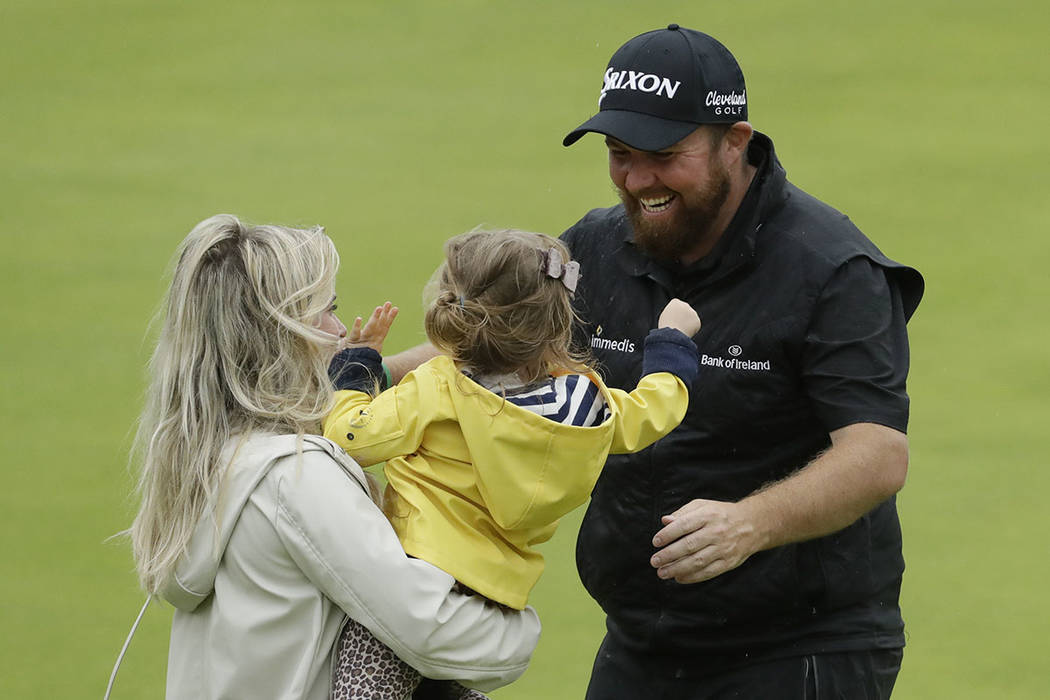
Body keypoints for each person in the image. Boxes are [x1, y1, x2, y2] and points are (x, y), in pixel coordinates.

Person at [560, 25, 925, 699]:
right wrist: (357, 371)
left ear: (735, 140)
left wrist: (750, 523)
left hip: (802, 645)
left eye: (664, 155)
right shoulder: (599, 247)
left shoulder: (832, 270)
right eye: (618, 154)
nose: (637, 180)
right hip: (644, 640)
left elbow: (877, 453)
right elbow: (489, 347)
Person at [127, 214, 540, 700]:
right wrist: (519, 625)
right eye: (327, 310)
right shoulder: (296, 478)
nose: (341, 329)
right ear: (278, 333)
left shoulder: (209, 456)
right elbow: (431, 632)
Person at [322, 228, 701, 698]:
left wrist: (354, 368)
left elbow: (349, 436)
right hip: (489, 598)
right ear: (559, 322)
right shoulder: (585, 404)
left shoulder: (437, 387)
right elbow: (654, 410)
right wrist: (670, 341)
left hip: (410, 581)